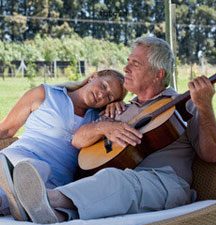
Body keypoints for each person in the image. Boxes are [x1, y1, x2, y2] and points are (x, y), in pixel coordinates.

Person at [10, 36, 216, 224]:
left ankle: (44, 199)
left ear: (158, 74)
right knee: (111, 179)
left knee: (114, 179)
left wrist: (205, 106)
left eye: (135, 64)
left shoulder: (183, 105)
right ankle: (52, 214)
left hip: (163, 182)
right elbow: (77, 140)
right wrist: (104, 126)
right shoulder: (124, 109)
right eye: (128, 61)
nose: (126, 68)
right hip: (119, 181)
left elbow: (211, 154)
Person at [0, 69, 127, 220]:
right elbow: (6, 130)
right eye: (104, 86)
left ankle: (25, 201)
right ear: (93, 76)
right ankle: (21, 198)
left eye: (109, 97)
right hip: (20, 157)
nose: (101, 95)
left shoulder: (100, 120)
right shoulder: (46, 94)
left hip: (58, 180)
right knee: (34, 168)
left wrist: (120, 107)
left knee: (45, 189)